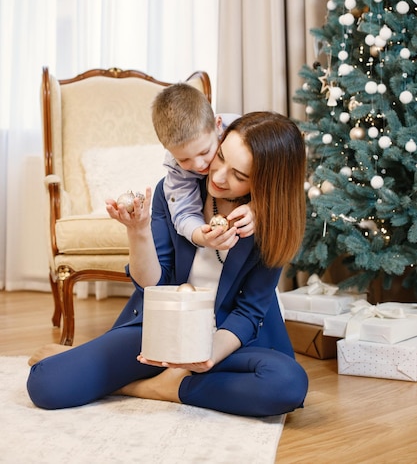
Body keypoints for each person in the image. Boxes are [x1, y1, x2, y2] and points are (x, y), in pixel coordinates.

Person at [27, 111, 308, 417]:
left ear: (266, 183)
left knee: (287, 385)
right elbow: (152, 285)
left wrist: (205, 356)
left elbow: (248, 313)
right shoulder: (175, 192)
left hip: (230, 342)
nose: (217, 176)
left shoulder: (273, 221)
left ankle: (160, 387)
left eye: (239, 176)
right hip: (160, 329)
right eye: (221, 156)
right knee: (46, 383)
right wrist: (138, 231)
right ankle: (155, 378)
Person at [151, 82, 252, 248]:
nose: (198, 165)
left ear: (218, 125)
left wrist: (256, 208)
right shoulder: (175, 167)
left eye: (205, 152)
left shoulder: (241, 133)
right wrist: (202, 236)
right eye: (184, 159)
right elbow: (183, 211)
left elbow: (277, 168)